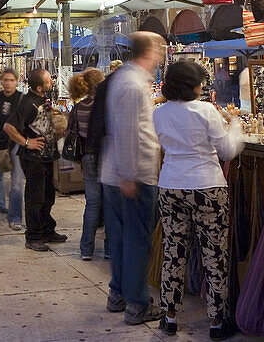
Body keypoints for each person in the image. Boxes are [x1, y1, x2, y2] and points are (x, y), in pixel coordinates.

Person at [153, 61, 244, 339]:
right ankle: (216, 322)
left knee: (174, 252)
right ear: (193, 85)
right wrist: (235, 124)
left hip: (171, 186)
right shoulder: (205, 111)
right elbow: (227, 151)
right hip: (207, 188)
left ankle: (169, 317)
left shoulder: (158, 114)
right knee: (214, 255)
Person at [101, 31, 167, 325]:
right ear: (150, 51)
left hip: (118, 173)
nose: (163, 54)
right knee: (137, 240)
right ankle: (138, 303)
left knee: (120, 238)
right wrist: (129, 175)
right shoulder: (134, 85)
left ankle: (118, 294)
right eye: (161, 49)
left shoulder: (125, 79)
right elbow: (128, 130)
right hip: (131, 175)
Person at [4, 68, 66, 252]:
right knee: (35, 198)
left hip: (47, 157)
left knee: (48, 196)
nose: (52, 82)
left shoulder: (41, 100)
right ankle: (33, 236)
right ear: (39, 87)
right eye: (48, 80)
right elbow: (9, 127)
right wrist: (27, 142)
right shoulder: (26, 103)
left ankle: (47, 229)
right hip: (33, 159)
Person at [70, 68, 107, 260]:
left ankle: (86, 249)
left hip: (87, 157)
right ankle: (109, 249)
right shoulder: (105, 106)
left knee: (92, 204)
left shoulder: (79, 107)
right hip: (106, 157)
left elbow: (71, 132)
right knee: (108, 203)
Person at [0, 67, 24, 230]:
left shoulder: (22, 99)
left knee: (17, 182)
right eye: (5, 80)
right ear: (1, 81)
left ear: (16, 81)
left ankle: (14, 217)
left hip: (16, 145)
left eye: (11, 80)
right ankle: (0, 204)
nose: (8, 83)